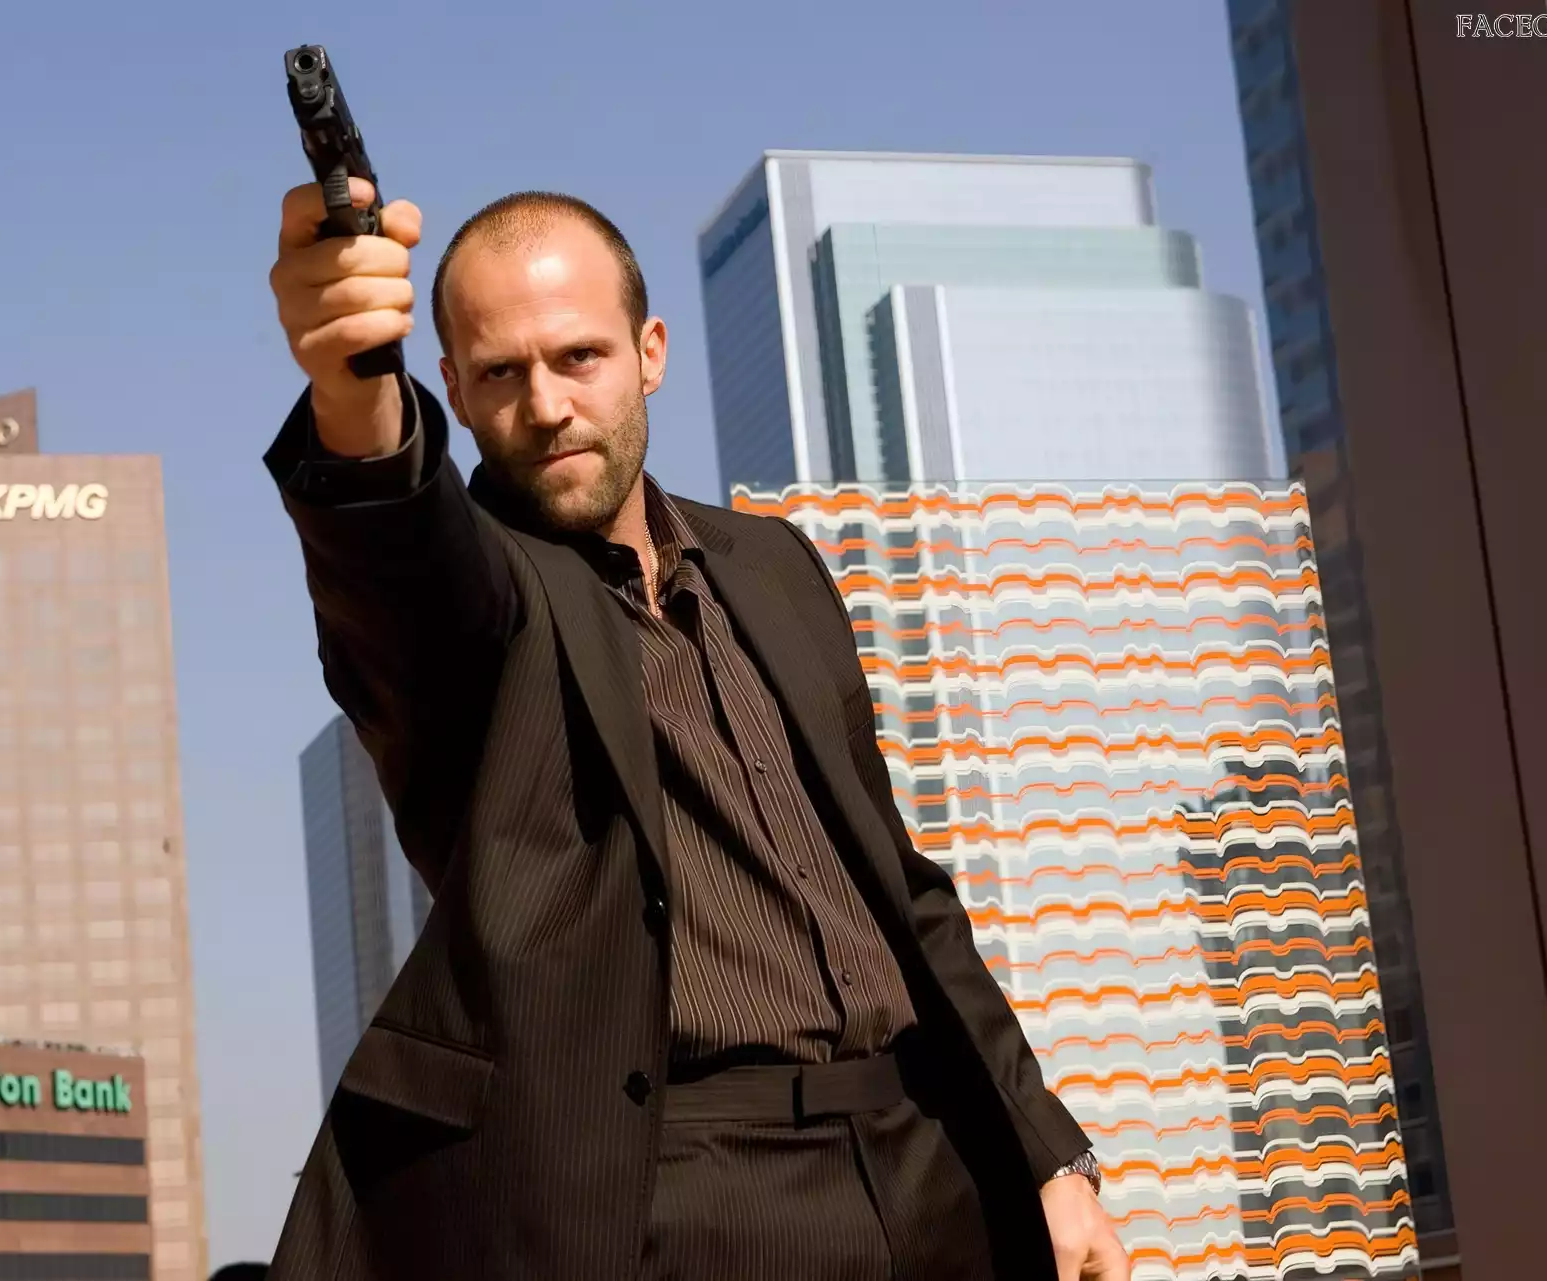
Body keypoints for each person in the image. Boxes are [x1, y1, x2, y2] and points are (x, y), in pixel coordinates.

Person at [261, 173, 1132, 1281]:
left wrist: (1048, 1157)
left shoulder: (774, 566)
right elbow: (399, 558)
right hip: (692, 1194)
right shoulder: (480, 606)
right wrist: (353, 385)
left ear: (650, 353)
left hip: (929, 1164)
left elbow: (903, 892)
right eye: (501, 373)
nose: (546, 404)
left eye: (579, 356)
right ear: (458, 393)